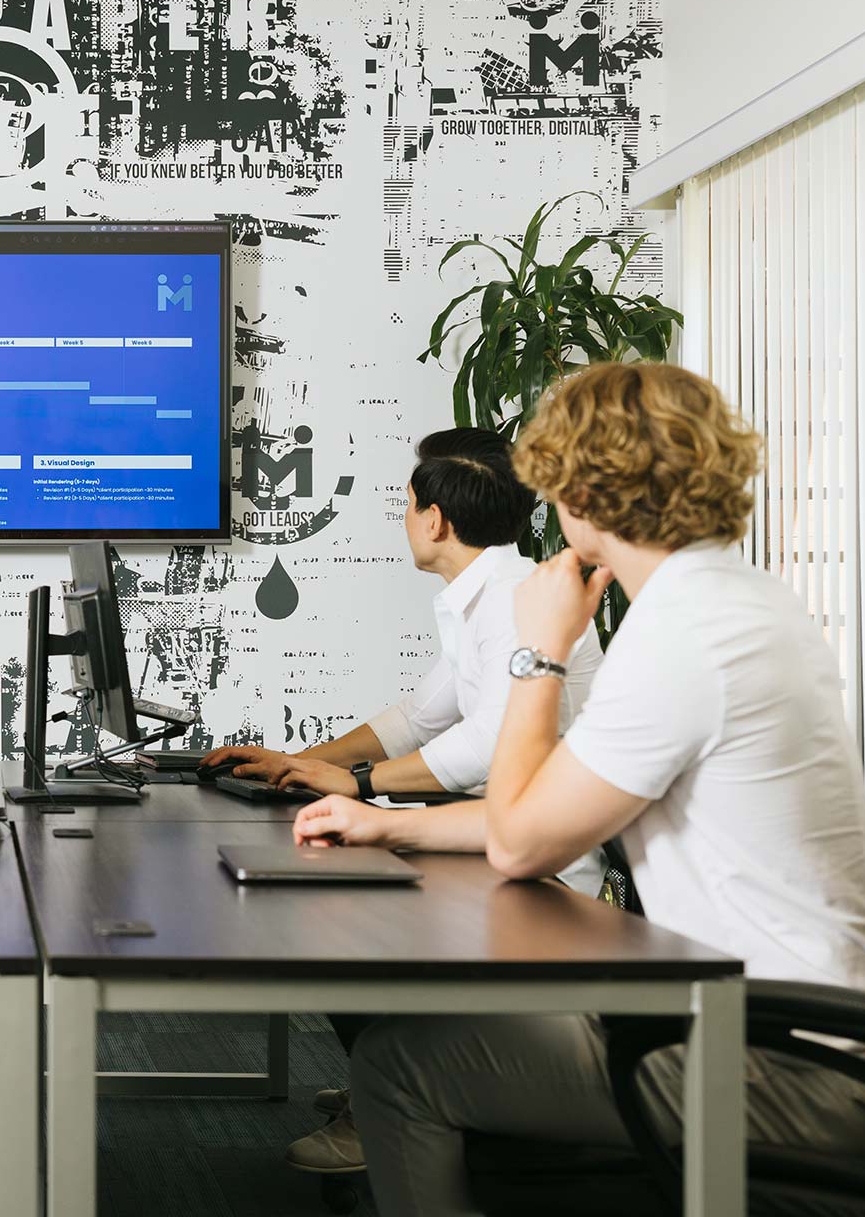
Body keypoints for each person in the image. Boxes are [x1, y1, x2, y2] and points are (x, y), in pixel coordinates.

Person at [342, 363, 865, 1217]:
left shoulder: (684, 638)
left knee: (400, 1069)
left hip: (789, 1066)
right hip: (805, 1036)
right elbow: (552, 810)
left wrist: (541, 653)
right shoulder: (729, 605)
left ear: (578, 491)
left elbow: (522, 843)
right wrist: (386, 829)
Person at [203, 427, 606, 1175]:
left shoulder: (517, 602)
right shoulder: (481, 596)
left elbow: (493, 739)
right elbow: (417, 718)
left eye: (406, 504)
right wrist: (298, 761)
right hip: (485, 833)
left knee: (345, 909)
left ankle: (395, 1094)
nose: (405, 517)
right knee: (334, 885)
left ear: (435, 520)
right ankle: (390, 1074)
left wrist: (361, 788)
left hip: (539, 866)